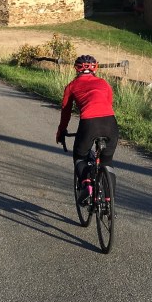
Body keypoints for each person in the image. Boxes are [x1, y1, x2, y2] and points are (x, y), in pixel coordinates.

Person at [55, 55, 119, 204]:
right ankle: (109, 201)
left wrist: (61, 131)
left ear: (76, 69)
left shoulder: (71, 86)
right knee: (107, 162)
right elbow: (109, 103)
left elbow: (66, 112)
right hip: (110, 123)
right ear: (95, 68)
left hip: (89, 123)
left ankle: (87, 184)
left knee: (79, 156)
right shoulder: (104, 83)